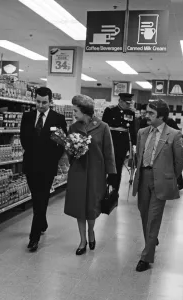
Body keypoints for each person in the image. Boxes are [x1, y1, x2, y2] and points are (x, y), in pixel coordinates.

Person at [132, 99, 183, 272]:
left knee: (154, 217)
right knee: (144, 214)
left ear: (161, 116)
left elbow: (179, 161)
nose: (146, 116)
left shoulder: (174, 134)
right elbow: (139, 157)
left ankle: (146, 257)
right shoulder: (141, 132)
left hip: (161, 181)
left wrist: (169, 177)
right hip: (143, 178)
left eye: (151, 113)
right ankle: (152, 240)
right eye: (147, 112)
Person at [64, 95, 116, 255]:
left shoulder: (103, 127)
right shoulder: (73, 128)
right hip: (78, 172)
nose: (73, 113)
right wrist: (72, 150)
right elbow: (68, 150)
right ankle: (82, 240)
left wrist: (112, 173)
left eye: (75, 110)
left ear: (85, 111)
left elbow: (108, 151)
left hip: (96, 174)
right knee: (80, 207)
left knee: (92, 207)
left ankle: (91, 231)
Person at [20, 87, 67, 252]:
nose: (41, 105)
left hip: (47, 165)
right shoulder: (27, 117)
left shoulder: (58, 119)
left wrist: (51, 158)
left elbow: (61, 143)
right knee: (36, 197)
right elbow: (23, 139)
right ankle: (43, 221)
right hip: (31, 164)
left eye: (44, 102)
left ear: (50, 102)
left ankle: (34, 238)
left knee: (42, 197)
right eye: (38, 102)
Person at [102, 93, 136, 196]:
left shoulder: (131, 113)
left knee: (118, 167)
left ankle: (115, 191)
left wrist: (133, 146)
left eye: (130, 103)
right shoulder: (110, 110)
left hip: (123, 144)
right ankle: (105, 187)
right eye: (127, 103)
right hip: (110, 141)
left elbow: (132, 130)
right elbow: (104, 127)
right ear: (120, 101)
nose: (129, 105)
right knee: (107, 166)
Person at [165, 117, 183, 190]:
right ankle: (180, 183)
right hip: (173, 149)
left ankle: (179, 183)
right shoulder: (177, 132)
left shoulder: (173, 132)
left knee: (173, 166)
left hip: (173, 149)